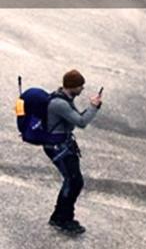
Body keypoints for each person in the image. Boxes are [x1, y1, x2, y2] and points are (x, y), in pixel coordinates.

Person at [44, 70, 103, 235]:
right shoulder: (60, 103)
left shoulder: (65, 98)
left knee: (73, 181)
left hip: (64, 145)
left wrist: (91, 109)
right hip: (58, 147)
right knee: (73, 182)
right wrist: (93, 107)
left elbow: (75, 119)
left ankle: (60, 216)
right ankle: (63, 219)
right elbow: (81, 122)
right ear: (72, 86)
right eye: (80, 86)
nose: (82, 89)